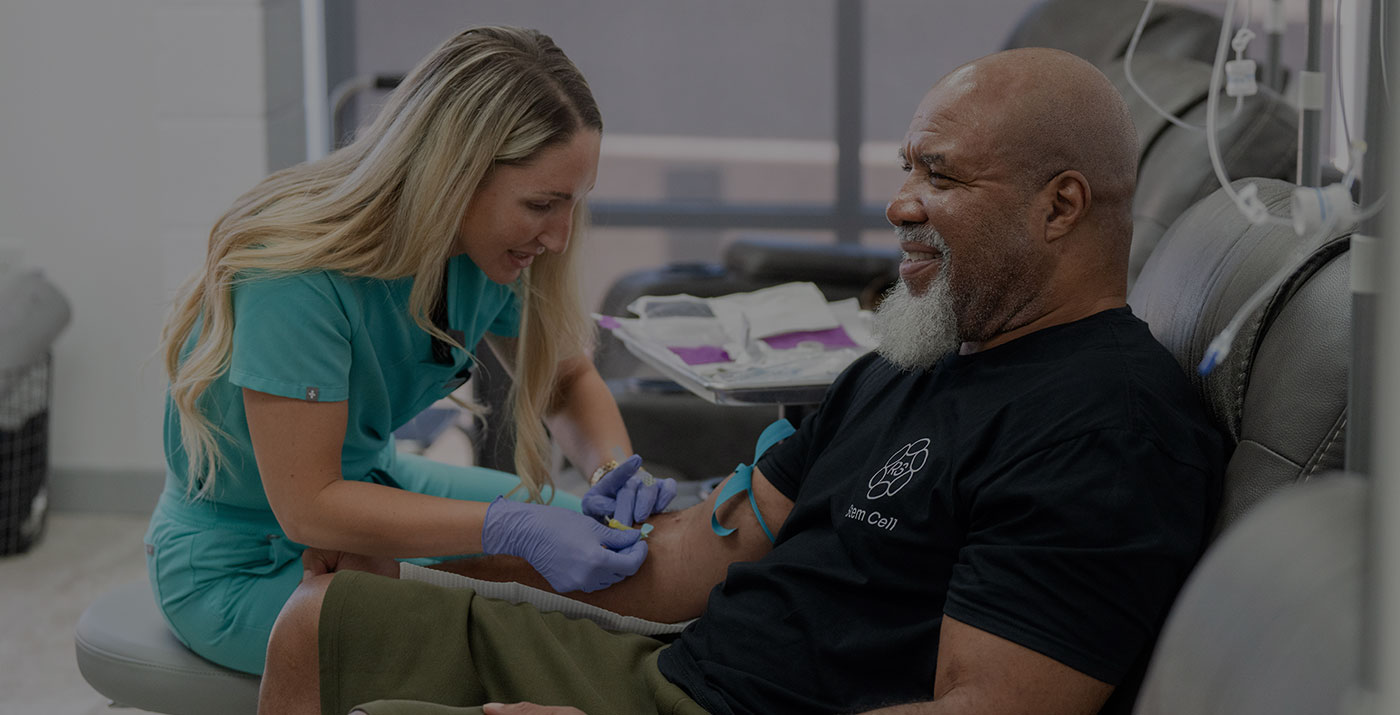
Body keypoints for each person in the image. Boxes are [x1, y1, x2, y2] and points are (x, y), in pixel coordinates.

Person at [257, 47, 1225, 715]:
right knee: (323, 612)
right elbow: (690, 559)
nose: (899, 204)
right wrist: (452, 559)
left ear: (1059, 207)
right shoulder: (903, 366)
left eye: (940, 176)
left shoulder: (1107, 431)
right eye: (905, 170)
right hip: (683, 669)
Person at [146, 26, 676, 675]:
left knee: (635, 564)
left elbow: (563, 382)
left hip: (376, 484)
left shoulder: (486, 249)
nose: (561, 237)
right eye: (542, 204)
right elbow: (310, 505)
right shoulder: (293, 276)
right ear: (454, 175)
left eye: (573, 204)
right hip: (242, 559)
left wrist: (611, 471)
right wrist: (508, 527)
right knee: (514, 646)